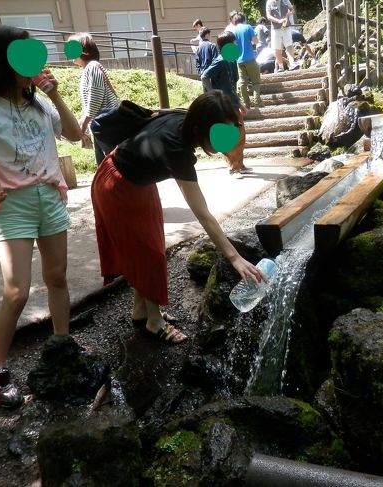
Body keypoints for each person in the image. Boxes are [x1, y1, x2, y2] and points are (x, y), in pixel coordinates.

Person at [0, 25, 83, 407]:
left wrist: (55, 94)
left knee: (58, 277)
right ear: (3, 60)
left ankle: (62, 344)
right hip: (12, 203)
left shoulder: (39, 103)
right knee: (16, 292)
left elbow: (76, 135)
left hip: (49, 197)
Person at [91, 90, 264, 344]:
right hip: (117, 184)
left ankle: (141, 312)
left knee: (148, 246)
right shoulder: (177, 148)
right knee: (149, 251)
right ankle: (154, 322)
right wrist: (235, 258)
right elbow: (203, 214)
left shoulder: (185, 120)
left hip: (137, 180)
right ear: (201, 128)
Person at [202, 31, 253, 179]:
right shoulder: (220, 60)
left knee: (241, 135)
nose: (236, 45)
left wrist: (240, 104)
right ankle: (233, 168)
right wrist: (212, 95)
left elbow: (231, 87)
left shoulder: (230, 60)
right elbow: (205, 76)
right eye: (234, 42)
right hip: (223, 105)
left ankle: (240, 165)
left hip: (232, 103)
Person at [68, 33, 119, 165]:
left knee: (112, 164)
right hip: (100, 125)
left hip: (106, 125)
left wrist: (84, 123)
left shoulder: (92, 66)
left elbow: (95, 97)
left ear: (84, 50)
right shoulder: (89, 69)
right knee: (105, 163)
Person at [233, 13, 263, 109]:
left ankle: (246, 103)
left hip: (239, 60)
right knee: (256, 81)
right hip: (250, 58)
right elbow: (256, 41)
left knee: (242, 82)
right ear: (244, 20)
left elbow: (233, 45)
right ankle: (257, 101)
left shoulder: (233, 31)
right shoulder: (248, 27)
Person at [266, 0, 297, 72]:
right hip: (275, 28)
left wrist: (291, 12)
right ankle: (280, 67)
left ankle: (292, 63)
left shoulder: (286, 1)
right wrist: (278, 21)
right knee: (277, 48)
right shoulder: (269, 2)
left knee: (289, 45)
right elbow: (268, 16)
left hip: (286, 27)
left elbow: (292, 10)